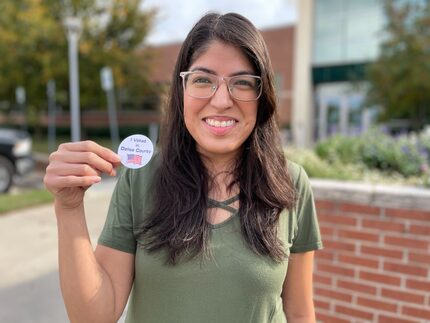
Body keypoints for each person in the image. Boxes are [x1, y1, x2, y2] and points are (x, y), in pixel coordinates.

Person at [44, 12, 322, 323]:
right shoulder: (141, 178)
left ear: (262, 96)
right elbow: (94, 316)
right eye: (203, 80)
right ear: (181, 90)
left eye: (242, 83)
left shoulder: (291, 183)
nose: (220, 101)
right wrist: (68, 209)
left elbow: (299, 313)